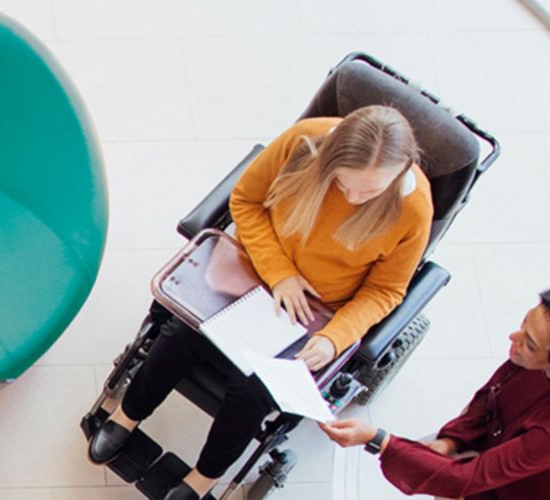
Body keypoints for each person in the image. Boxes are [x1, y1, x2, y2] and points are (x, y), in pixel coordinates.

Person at [89, 105, 434, 500]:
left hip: (316, 313)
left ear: (402, 171)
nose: (354, 198)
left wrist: (333, 339)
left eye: (370, 190)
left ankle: (203, 478)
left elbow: (386, 291)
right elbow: (246, 201)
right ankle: (127, 415)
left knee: (255, 394)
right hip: (254, 271)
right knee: (179, 336)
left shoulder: (413, 208)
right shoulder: (304, 143)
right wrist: (281, 274)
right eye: (343, 183)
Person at [320, 285, 550, 499]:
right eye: (524, 324)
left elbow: (467, 478)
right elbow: (497, 393)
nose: (513, 338)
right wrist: (453, 439)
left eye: (529, 343)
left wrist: (378, 441)